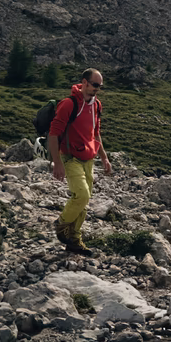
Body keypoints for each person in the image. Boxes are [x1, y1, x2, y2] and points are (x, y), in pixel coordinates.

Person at [49, 68, 112, 255]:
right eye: (94, 85)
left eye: (100, 86)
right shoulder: (69, 104)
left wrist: (104, 158)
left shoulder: (96, 105)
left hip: (88, 158)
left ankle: (74, 240)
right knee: (82, 195)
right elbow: (54, 134)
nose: (97, 89)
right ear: (84, 82)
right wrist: (57, 162)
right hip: (70, 157)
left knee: (84, 202)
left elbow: (95, 133)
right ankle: (61, 224)